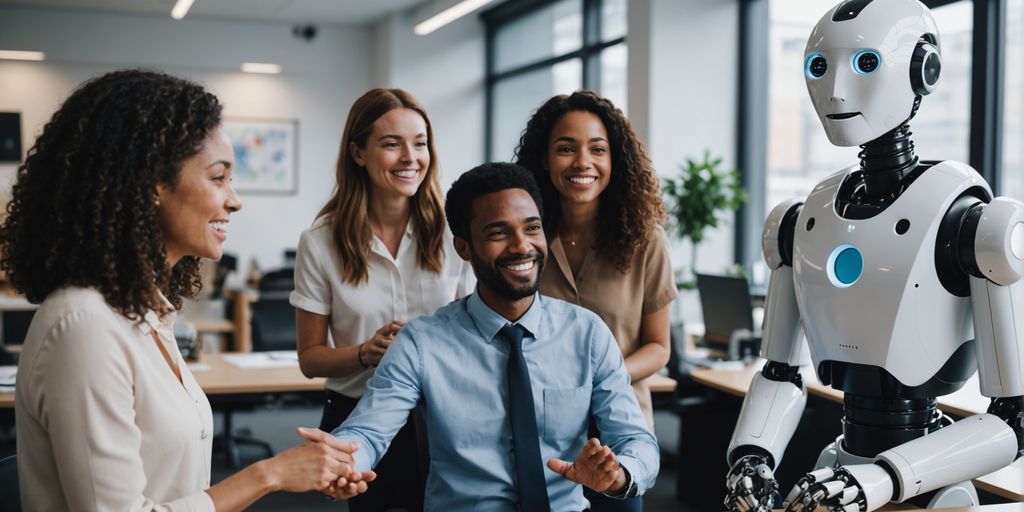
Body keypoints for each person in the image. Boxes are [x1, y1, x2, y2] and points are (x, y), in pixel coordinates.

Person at [1, 69, 371, 511]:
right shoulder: (84, 326)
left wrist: (304, 469)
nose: (235, 200)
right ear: (150, 184)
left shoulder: (146, 314)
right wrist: (269, 474)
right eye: (218, 178)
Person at [326, 162, 660, 511]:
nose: (521, 246)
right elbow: (368, 432)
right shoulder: (421, 343)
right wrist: (344, 463)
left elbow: (637, 439)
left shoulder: (587, 334)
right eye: (498, 233)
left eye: (532, 228)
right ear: (464, 248)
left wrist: (620, 472)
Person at [290, 88, 471, 511]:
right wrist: (365, 352)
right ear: (358, 152)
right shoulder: (320, 243)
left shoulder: (454, 231)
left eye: (420, 143)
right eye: (392, 144)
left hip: (443, 411)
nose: (411, 157)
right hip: (357, 412)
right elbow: (311, 358)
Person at [514, 90, 676, 511]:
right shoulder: (523, 239)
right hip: (536, 427)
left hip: (619, 434)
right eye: (565, 149)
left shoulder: (646, 241)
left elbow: (659, 347)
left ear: (614, 160)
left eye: (597, 149)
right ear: (545, 160)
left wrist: (600, 379)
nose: (582, 162)